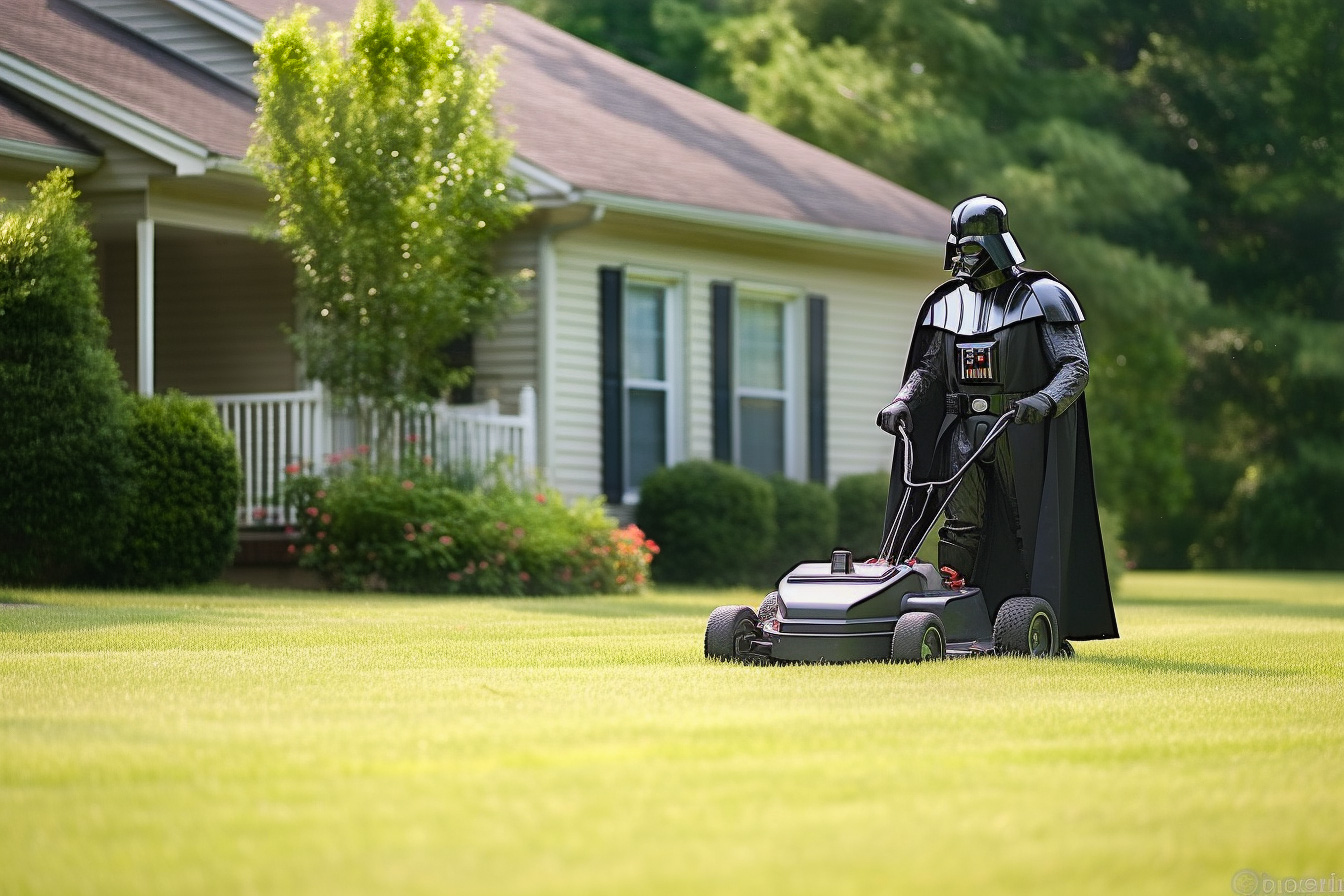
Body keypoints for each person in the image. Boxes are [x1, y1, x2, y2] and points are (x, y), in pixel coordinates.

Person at [877, 195, 1118, 644]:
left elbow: (1075, 366)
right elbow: (928, 371)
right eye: (957, 248)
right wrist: (903, 402)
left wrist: (1044, 401)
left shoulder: (1043, 297)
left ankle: (1033, 618)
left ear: (994, 245)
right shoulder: (945, 304)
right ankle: (958, 608)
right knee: (960, 523)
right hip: (961, 431)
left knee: (1028, 522)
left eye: (969, 249)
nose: (960, 259)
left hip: (1019, 431)